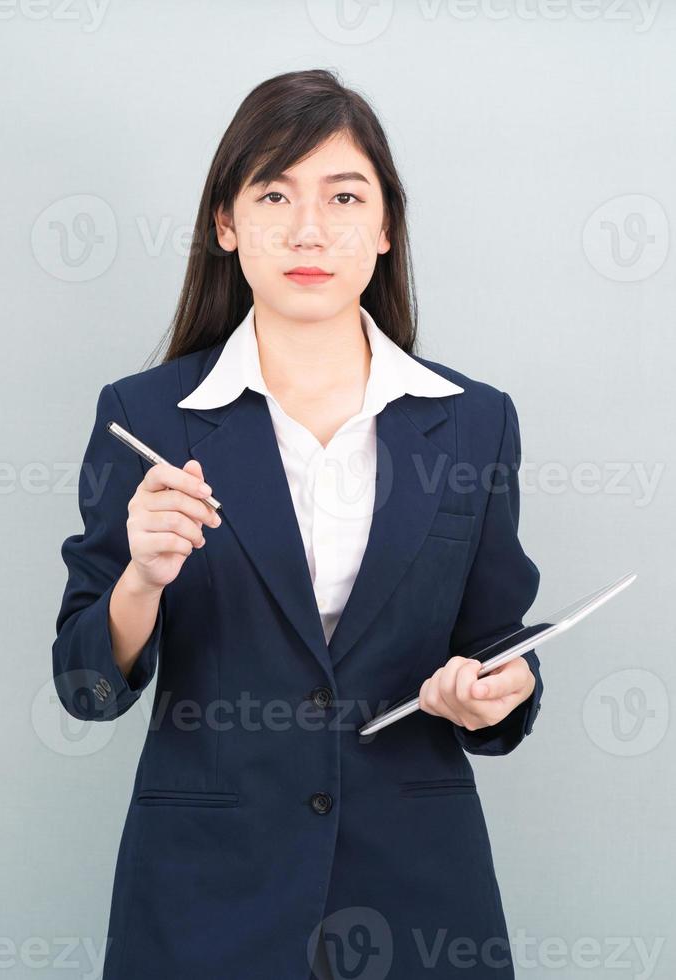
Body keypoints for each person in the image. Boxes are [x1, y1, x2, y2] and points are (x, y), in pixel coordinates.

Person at [52, 68, 543, 980]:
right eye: (273, 193)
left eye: (343, 195)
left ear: (385, 226)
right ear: (226, 224)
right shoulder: (147, 416)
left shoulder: (474, 421)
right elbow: (85, 683)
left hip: (419, 893)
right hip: (206, 895)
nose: (309, 228)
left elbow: (501, 645)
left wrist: (497, 691)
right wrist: (140, 581)